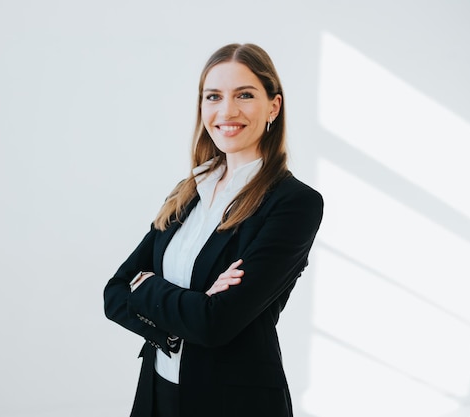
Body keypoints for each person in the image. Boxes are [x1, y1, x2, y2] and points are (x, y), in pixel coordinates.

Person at [103, 43, 323, 417]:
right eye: (214, 96)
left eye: (245, 95)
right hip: (157, 393)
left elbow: (215, 324)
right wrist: (187, 312)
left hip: (233, 403)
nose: (227, 111)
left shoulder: (294, 203)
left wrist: (147, 286)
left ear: (273, 106)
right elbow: (114, 293)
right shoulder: (189, 190)